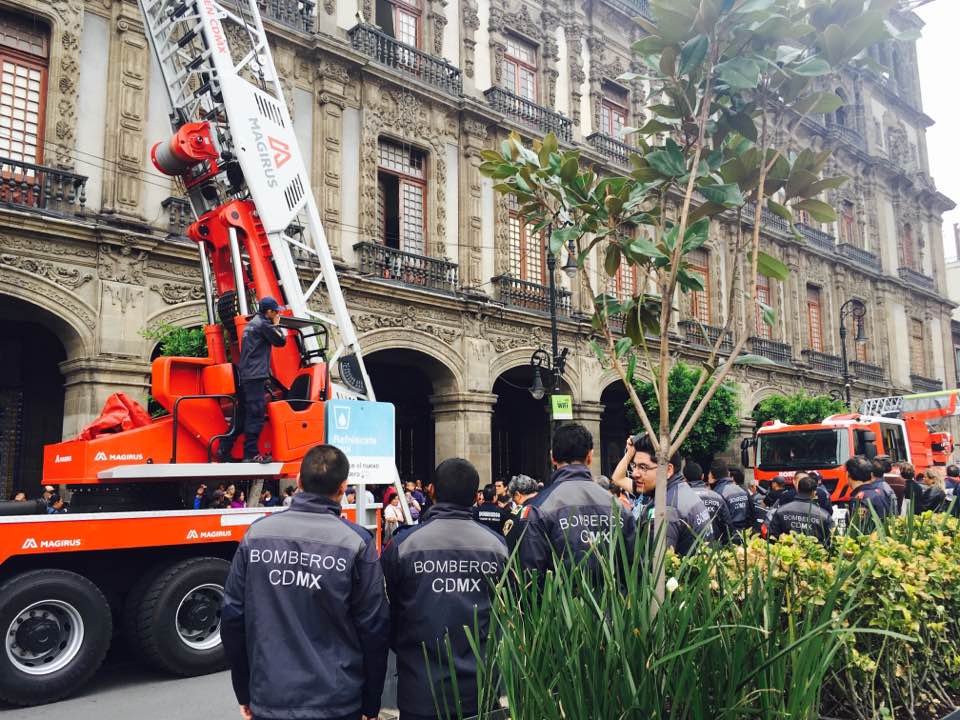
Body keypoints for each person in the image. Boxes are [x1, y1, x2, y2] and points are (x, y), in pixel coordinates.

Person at [221, 444, 389, 720]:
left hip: (270, 696)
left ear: (298, 481)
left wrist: (245, 691)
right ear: (343, 488)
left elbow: (232, 618)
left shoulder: (256, 535)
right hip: (337, 700)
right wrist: (371, 703)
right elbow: (374, 629)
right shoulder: (356, 542)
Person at [381, 458, 508, 720]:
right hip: (480, 689)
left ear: (431, 490)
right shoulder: (498, 547)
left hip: (420, 689)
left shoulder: (403, 546)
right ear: (475, 497)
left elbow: (387, 613)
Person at [519, 423, 637, 573]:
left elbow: (530, 575)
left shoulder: (537, 508)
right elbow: (635, 570)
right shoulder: (619, 508)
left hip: (558, 588)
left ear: (552, 457)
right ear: (590, 456)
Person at [217, 296, 287, 464]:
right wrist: (277, 325)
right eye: (276, 312)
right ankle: (251, 454)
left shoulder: (252, 324)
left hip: (246, 375)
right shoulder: (264, 324)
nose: (277, 314)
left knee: (242, 415)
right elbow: (281, 341)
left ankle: (224, 448)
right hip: (255, 376)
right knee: (256, 414)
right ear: (269, 312)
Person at [629, 435, 714, 555]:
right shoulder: (682, 490)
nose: (634, 474)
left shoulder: (666, 509)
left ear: (668, 470)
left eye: (643, 467)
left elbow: (658, 564)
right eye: (634, 466)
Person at [766, 473, 834, 546]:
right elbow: (832, 540)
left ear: (798, 489)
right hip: (814, 552)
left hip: (787, 551)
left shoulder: (781, 511)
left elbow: (772, 537)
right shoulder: (823, 515)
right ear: (814, 493)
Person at [683, 461, 733, 545]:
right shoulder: (716, 496)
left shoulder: (682, 498)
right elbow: (727, 525)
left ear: (684, 479)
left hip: (690, 550)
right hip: (715, 547)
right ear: (702, 476)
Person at [847, 455, 893, 532]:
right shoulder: (880, 492)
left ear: (849, 475)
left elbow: (858, 531)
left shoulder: (859, 499)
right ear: (871, 475)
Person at [708, 460, 752, 536]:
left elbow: (720, 521)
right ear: (728, 473)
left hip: (728, 537)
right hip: (744, 535)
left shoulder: (717, 493)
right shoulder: (743, 491)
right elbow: (751, 515)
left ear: (711, 475)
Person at [503, 473, 540, 549]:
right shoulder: (548, 504)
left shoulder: (516, 515)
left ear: (517, 494)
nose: (514, 502)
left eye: (513, 499)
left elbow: (509, 544)